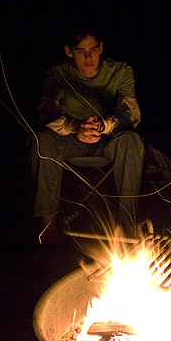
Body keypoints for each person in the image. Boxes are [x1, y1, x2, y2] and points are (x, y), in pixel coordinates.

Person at [31, 24, 144, 242]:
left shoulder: (120, 72)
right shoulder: (58, 75)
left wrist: (102, 126)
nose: (88, 57)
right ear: (68, 51)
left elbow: (130, 115)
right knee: (44, 140)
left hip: (108, 140)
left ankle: (126, 226)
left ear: (101, 48)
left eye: (93, 49)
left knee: (132, 140)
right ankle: (48, 231)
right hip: (71, 140)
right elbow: (46, 113)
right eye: (81, 51)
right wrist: (75, 126)